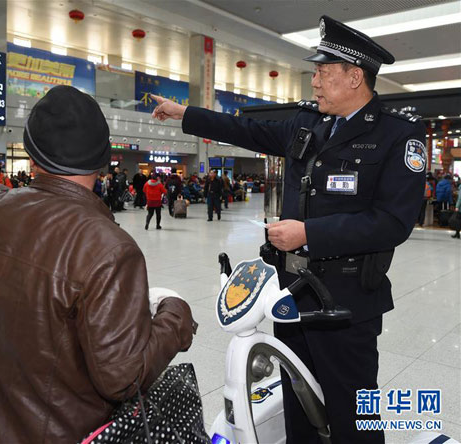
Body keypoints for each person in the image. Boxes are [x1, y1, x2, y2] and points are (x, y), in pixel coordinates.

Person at [151, 15, 426, 444]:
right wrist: (186, 113)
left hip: (346, 301)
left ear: (355, 78)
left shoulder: (398, 137)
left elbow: (392, 223)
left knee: (353, 412)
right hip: (291, 293)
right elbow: (246, 129)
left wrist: (309, 233)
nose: (313, 81)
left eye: (322, 72)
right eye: (314, 71)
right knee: (298, 403)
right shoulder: (309, 124)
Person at [0, 86, 195, 444]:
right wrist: (175, 315)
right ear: (103, 161)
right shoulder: (109, 249)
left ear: (33, 157)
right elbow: (123, 375)